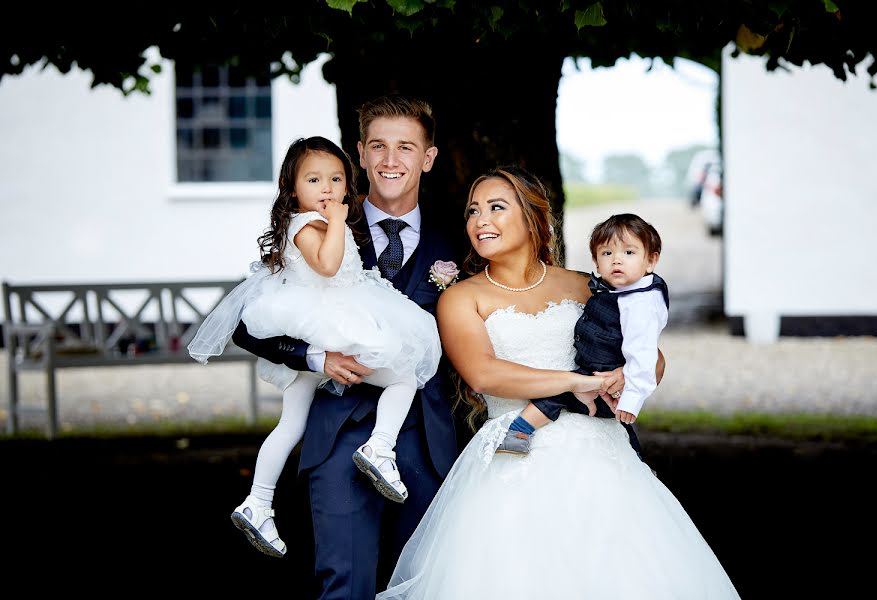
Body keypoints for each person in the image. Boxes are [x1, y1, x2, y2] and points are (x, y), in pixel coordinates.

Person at [377, 166, 741, 599]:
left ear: (534, 217)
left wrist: (629, 375)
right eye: (473, 211)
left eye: (496, 207)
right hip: (516, 450)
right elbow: (483, 373)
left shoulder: (587, 286)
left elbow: (651, 358)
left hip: (601, 451)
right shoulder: (461, 297)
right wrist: (575, 381)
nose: (480, 220)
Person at [229, 95, 462, 599]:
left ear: (429, 157)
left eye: (406, 147)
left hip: (426, 438)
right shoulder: (321, 219)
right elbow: (248, 325)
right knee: (345, 585)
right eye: (378, 146)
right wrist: (316, 358)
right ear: (360, 152)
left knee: (426, 585)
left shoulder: (458, 237)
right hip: (335, 433)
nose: (390, 160)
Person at [187, 135, 444, 558]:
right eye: (314, 179)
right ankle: (379, 447)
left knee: (292, 424)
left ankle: (259, 502)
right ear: (292, 189)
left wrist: (338, 224)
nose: (327, 188)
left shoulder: (321, 223)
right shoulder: (306, 224)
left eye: (336, 178)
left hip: (326, 322)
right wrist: (339, 222)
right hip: (322, 325)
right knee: (403, 374)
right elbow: (327, 268)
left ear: (348, 183)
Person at [496, 213, 669, 457]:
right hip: (594, 371)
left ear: (650, 261)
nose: (617, 260)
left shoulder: (642, 302)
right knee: (569, 394)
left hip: (605, 374)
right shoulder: (616, 291)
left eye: (629, 253)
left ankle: (519, 431)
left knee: (558, 394)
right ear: (597, 263)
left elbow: (643, 353)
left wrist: (631, 397)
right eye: (607, 254)